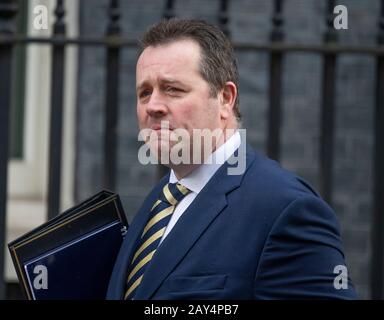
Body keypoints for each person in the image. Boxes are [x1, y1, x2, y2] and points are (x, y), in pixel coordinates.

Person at [107, 18, 357, 300]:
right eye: (144, 93)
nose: (153, 106)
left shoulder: (286, 210)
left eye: (173, 89)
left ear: (225, 98)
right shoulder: (160, 200)